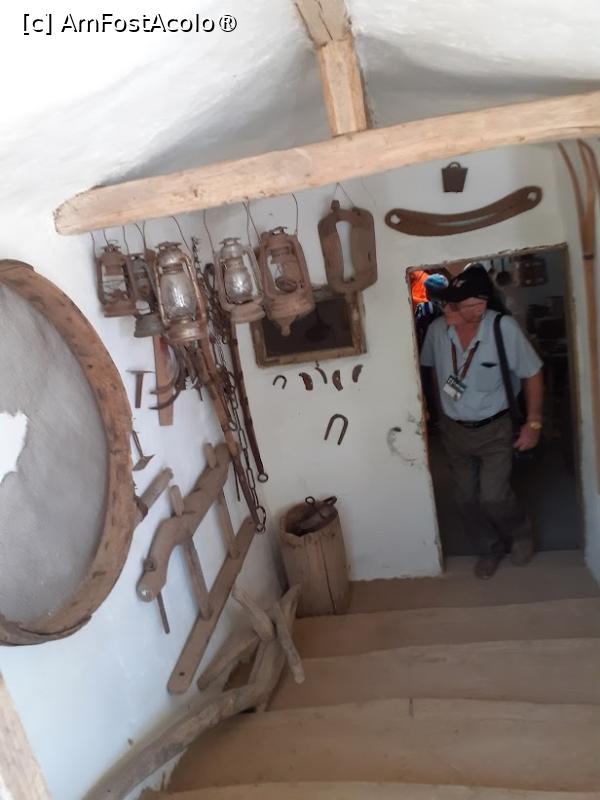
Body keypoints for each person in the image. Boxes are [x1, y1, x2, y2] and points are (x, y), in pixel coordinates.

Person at [420, 264, 544, 579]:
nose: (445, 309)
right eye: (446, 303)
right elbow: (432, 372)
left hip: (496, 429)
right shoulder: (437, 331)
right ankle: (490, 548)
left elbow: (532, 372)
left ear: (478, 306)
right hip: (454, 431)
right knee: (464, 498)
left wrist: (533, 423)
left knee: (493, 496)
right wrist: (434, 411)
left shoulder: (503, 329)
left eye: (454, 305)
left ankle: (521, 532)